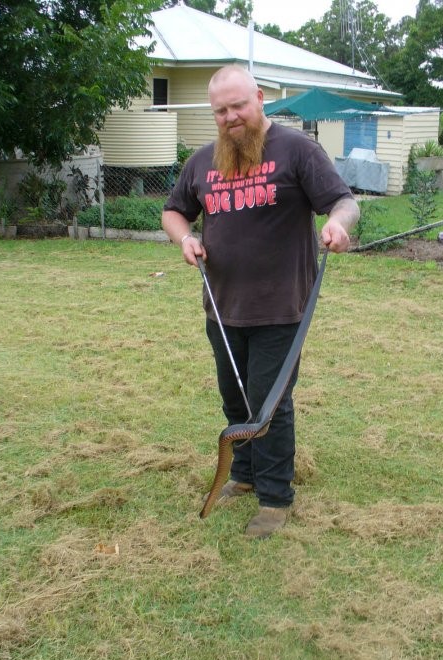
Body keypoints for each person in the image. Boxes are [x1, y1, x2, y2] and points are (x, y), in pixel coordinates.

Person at [162, 64, 359, 538]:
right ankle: (244, 475)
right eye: (220, 111)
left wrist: (337, 225)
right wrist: (184, 238)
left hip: (280, 306)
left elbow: (344, 201)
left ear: (261, 97)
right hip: (222, 304)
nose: (230, 117)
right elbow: (173, 211)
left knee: (269, 404)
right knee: (236, 399)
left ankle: (275, 499)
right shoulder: (203, 160)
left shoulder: (298, 150)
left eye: (238, 106)